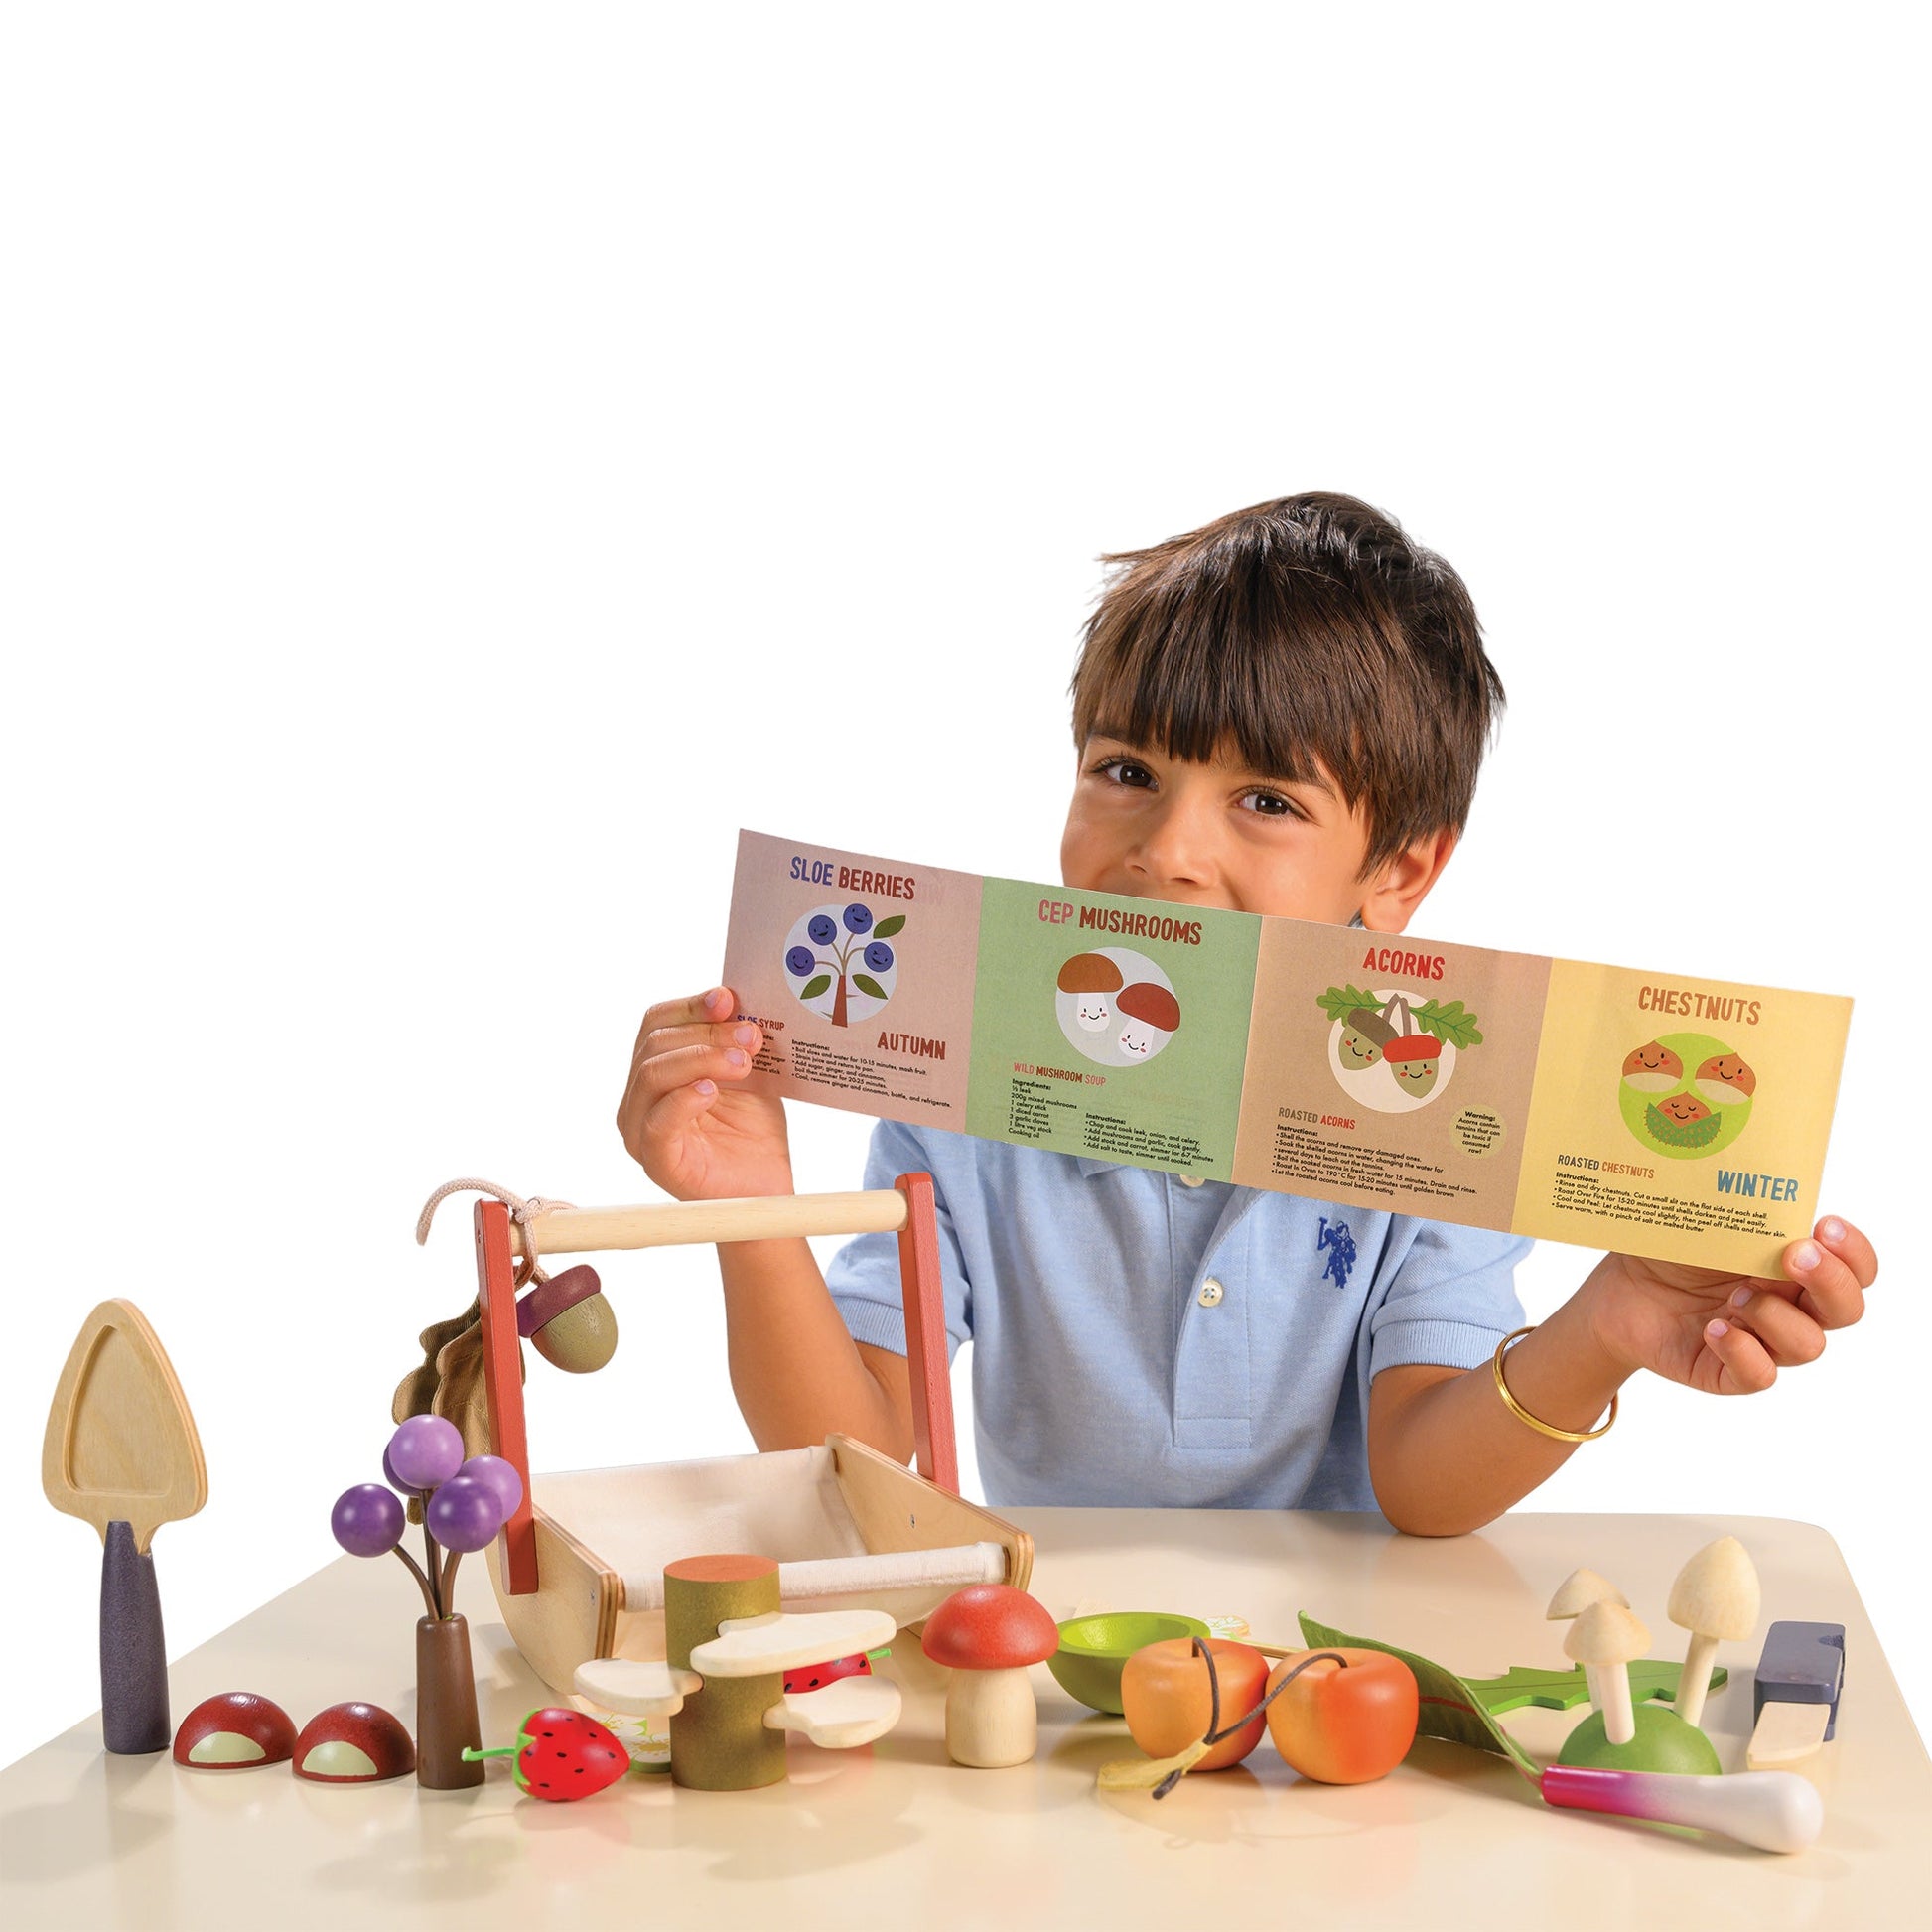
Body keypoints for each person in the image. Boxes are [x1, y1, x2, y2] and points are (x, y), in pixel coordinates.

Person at [617, 493, 1875, 1534]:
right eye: (1125, 771)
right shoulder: (966, 1101)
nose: (1166, 852)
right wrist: (752, 1207)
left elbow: (1424, 1486)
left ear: (1398, 872)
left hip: (1342, 1676)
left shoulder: (1438, 1107)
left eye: (1265, 801)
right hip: (1055, 1665)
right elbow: (858, 1460)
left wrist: (1603, 1327)